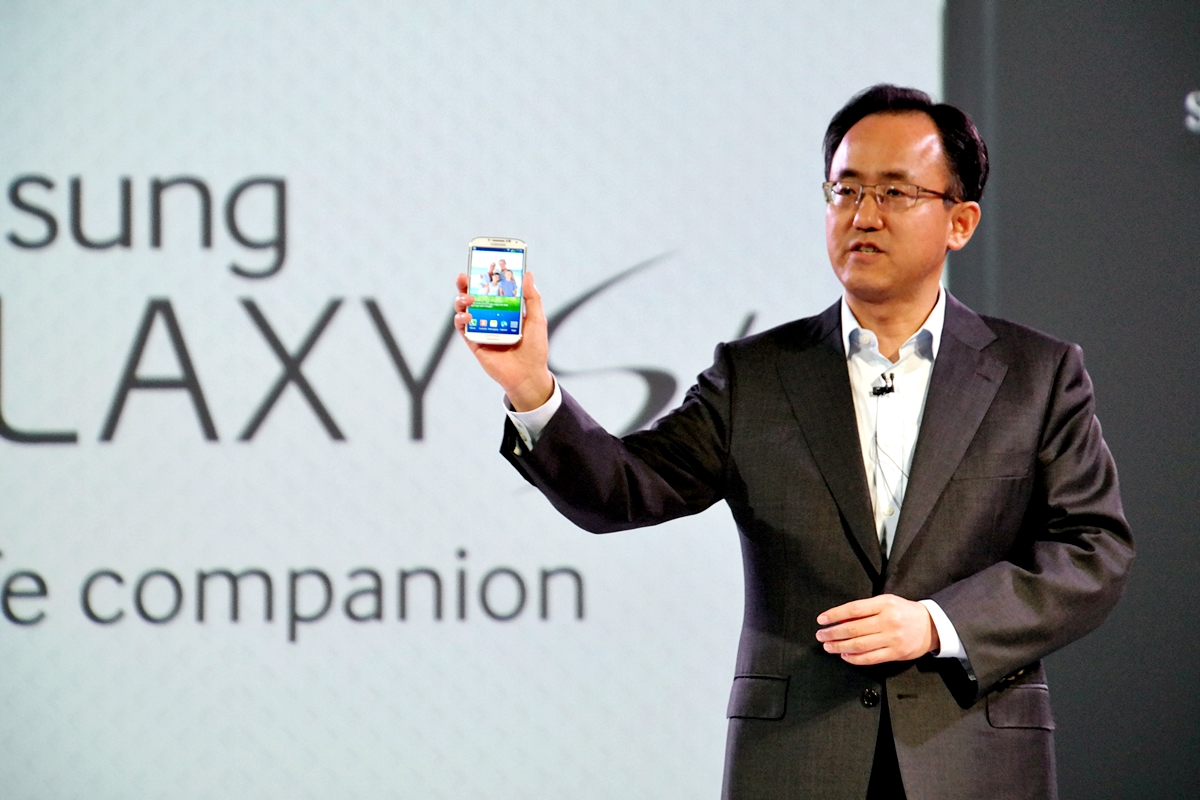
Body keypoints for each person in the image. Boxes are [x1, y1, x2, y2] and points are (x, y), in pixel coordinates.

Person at [452, 85, 1132, 800]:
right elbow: (620, 491)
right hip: (798, 758)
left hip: (974, 758)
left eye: (895, 192)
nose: (863, 215)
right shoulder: (756, 375)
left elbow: (1095, 550)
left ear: (959, 221)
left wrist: (939, 624)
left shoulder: (1036, 374)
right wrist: (530, 385)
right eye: (845, 190)